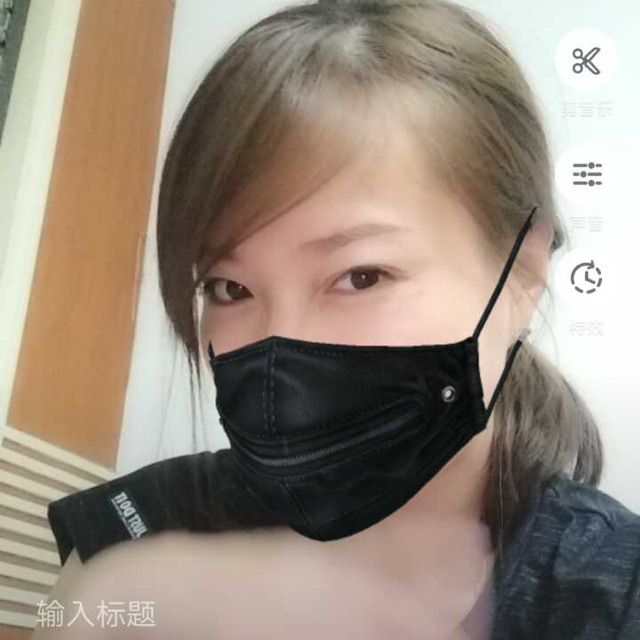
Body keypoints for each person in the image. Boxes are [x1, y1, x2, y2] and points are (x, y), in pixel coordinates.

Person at [38, 1, 640, 639]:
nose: (281, 353)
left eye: (361, 276)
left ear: (524, 271)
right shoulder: (137, 535)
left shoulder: (613, 591)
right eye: (229, 288)